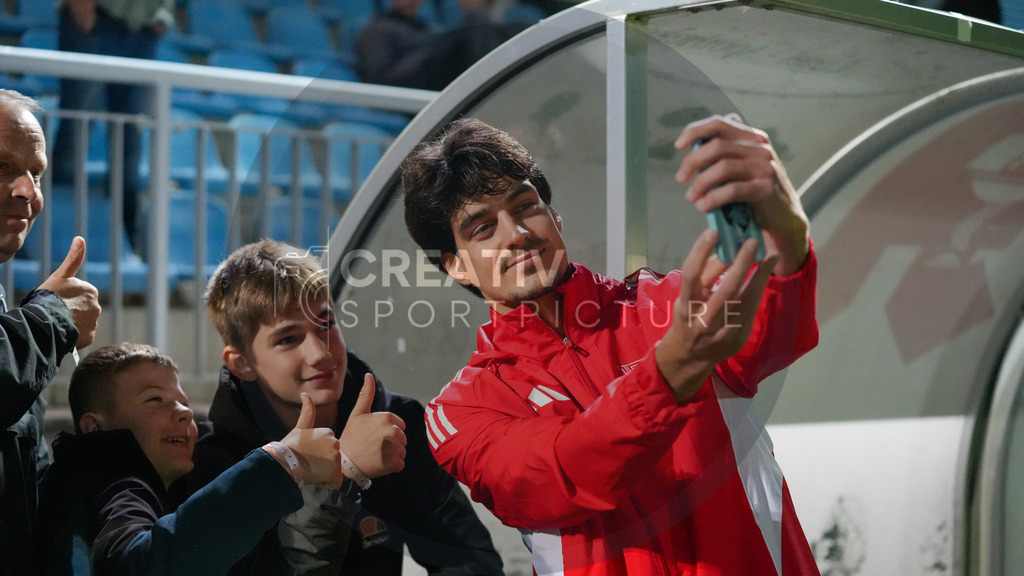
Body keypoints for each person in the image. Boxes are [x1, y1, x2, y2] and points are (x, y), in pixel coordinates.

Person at [401, 115, 820, 575]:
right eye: (482, 228)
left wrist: (787, 233)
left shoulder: (669, 303)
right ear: (456, 266)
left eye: (525, 206)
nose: (516, 233)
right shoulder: (458, 412)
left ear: (554, 216)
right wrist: (670, 372)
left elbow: (777, 329)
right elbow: (565, 472)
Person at [187, 239, 504, 575]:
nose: (321, 353)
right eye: (288, 339)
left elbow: (469, 559)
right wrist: (347, 469)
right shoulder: (215, 464)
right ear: (241, 363)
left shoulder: (395, 421)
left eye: (326, 325)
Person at [36, 342, 384, 576]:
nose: (184, 413)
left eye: (182, 401)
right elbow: (137, 564)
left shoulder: (175, 481)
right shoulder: (113, 485)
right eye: (154, 400)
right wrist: (280, 461)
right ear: (94, 428)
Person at [0, 89, 101, 576]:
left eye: (35, 173)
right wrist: (54, 319)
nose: (26, 191)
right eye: (1, 167)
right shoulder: (35, 322)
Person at [51, 0, 176, 248]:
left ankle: (124, 243)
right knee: (76, 127)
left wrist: (163, 14)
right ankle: (54, 235)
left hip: (143, 25)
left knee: (129, 135)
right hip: (94, 17)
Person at [356, 0, 524, 91]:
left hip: (440, 74)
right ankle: (491, 83)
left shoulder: (424, 27)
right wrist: (424, 58)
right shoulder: (377, 29)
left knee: (519, 26)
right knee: (476, 21)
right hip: (418, 79)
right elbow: (380, 77)